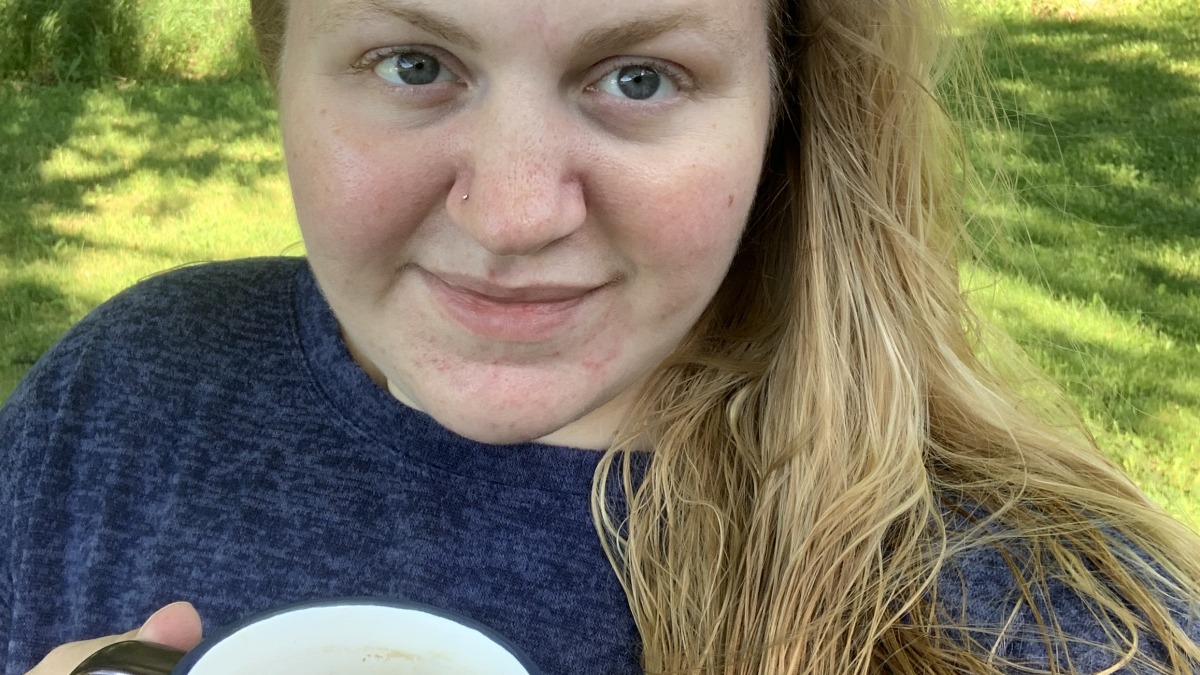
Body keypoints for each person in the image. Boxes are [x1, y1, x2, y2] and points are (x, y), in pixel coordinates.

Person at [3, 0, 1199, 672]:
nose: (514, 215)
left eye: (637, 78)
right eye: (414, 64)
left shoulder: (1053, 627)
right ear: (280, 61)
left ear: (787, 103)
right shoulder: (126, 397)